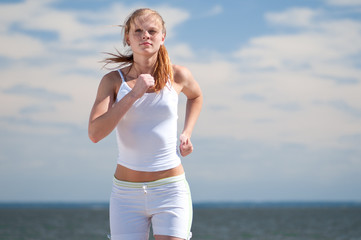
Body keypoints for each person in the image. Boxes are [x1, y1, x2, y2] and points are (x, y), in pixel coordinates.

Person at [88, 8, 203, 240]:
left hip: (170, 189)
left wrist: (187, 133)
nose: (145, 36)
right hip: (125, 195)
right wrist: (132, 95)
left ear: (163, 37)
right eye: (138, 31)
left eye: (152, 31)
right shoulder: (112, 81)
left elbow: (196, 96)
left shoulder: (178, 75)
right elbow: (95, 133)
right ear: (127, 38)